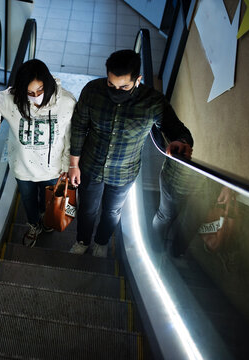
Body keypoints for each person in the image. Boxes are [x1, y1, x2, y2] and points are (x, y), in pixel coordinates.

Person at [68, 49, 193, 258]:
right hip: (91, 165)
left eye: (124, 87)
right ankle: (82, 241)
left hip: (124, 172)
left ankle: (102, 242)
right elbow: (79, 126)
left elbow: (178, 130)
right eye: (111, 84)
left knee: (112, 212)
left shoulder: (152, 102)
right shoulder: (92, 91)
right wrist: (74, 164)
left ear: (138, 80)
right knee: (86, 209)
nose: (116, 91)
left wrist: (180, 142)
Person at [0, 59, 76, 247]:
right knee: (28, 200)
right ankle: (34, 224)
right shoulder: (12, 99)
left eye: (40, 90)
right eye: (30, 93)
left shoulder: (66, 102)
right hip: (22, 167)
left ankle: (46, 217)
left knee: (49, 200)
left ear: (47, 84)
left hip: (53, 169)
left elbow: (70, 138)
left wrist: (67, 166)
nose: (36, 96)